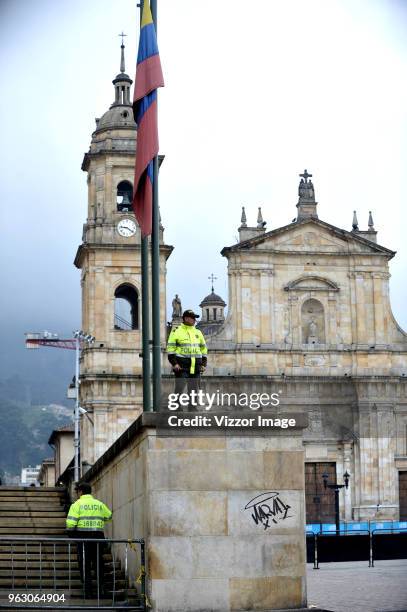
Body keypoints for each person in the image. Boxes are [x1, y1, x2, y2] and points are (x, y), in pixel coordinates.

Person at [66, 482, 112, 598]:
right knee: (98, 563)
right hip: (98, 537)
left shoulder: (77, 505)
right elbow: (109, 516)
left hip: (83, 538)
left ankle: (88, 592)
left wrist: (71, 533)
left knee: (84, 564)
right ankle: (102, 589)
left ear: (80, 492)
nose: (76, 494)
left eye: (77, 492)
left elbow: (70, 523)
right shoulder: (99, 504)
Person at [166, 309, 208, 409]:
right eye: (193, 318)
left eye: (195, 318)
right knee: (180, 388)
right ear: (186, 318)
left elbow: (203, 349)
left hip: (196, 366)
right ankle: (176, 409)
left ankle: (192, 409)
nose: (194, 320)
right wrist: (174, 363)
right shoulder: (176, 331)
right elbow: (171, 349)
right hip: (181, 366)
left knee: (194, 390)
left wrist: (203, 364)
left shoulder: (198, 332)